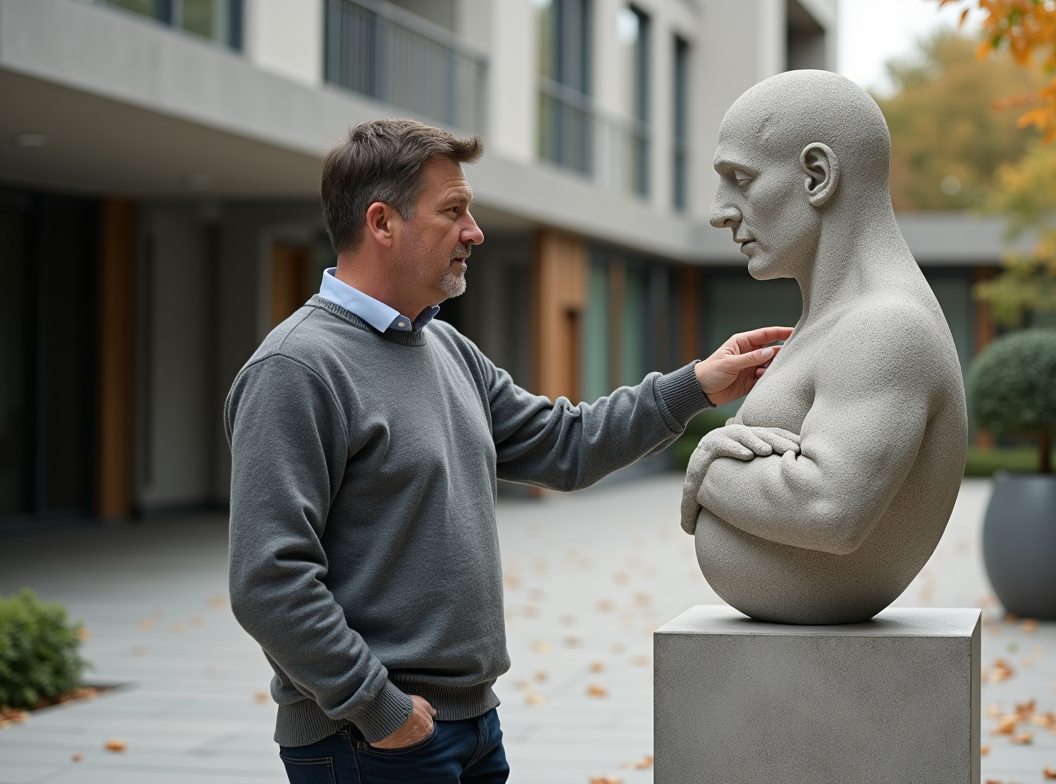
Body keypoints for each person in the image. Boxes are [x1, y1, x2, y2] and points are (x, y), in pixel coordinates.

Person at [224, 118, 790, 783]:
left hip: (467, 727)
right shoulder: (297, 369)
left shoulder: (446, 350)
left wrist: (695, 385)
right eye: (454, 211)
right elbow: (269, 579)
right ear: (382, 223)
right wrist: (380, 710)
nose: (475, 232)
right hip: (368, 741)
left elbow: (564, 444)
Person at [679, 70, 968, 625]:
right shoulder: (838, 321)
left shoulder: (884, 325)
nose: (720, 211)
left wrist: (709, 463)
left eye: (741, 178)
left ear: (817, 176)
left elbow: (830, 509)